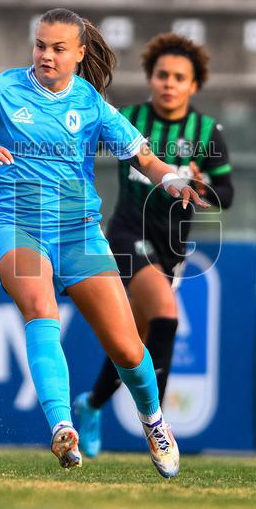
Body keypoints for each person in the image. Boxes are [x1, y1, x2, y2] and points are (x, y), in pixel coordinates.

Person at [0, 8, 208, 479]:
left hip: (78, 232)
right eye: (40, 45)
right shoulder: (1, 90)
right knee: (40, 304)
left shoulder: (90, 103)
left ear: (79, 53)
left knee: (129, 349)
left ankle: (154, 423)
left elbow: (143, 155)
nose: (45, 55)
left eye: (57, 48)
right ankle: (61, 428)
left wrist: (171, 179)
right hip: (12, 224)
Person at [72, 33, 234, 458]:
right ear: (150, 78)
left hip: (172, 251)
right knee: (165, 316)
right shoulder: (129, 118)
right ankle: (157, 429)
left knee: (134, 340)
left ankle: (90, 405)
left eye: (180, 77)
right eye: (162, 75)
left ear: (194, 85)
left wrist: (206, 183)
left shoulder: (207, 132)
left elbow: (228, 194)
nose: (169, 83)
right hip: (127, 236)